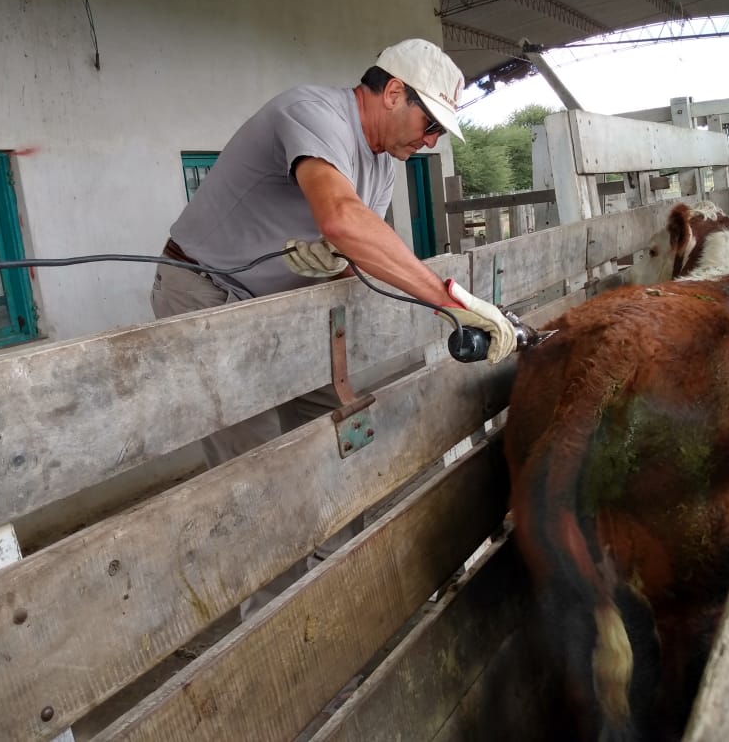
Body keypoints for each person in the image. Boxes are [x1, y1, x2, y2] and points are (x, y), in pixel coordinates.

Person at [150, 37, 517, 616]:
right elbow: (343, 219)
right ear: (393, 92)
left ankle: (343, 598)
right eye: (429, 125)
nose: (430, 141)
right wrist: (451, 300)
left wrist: (340, 257)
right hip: (204, 295)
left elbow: (358, 244)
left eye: (440, 134)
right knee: (259, 478)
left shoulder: (384, 165)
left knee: (346, 437)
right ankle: (282, 634)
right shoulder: (313, 112)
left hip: (284, 308)